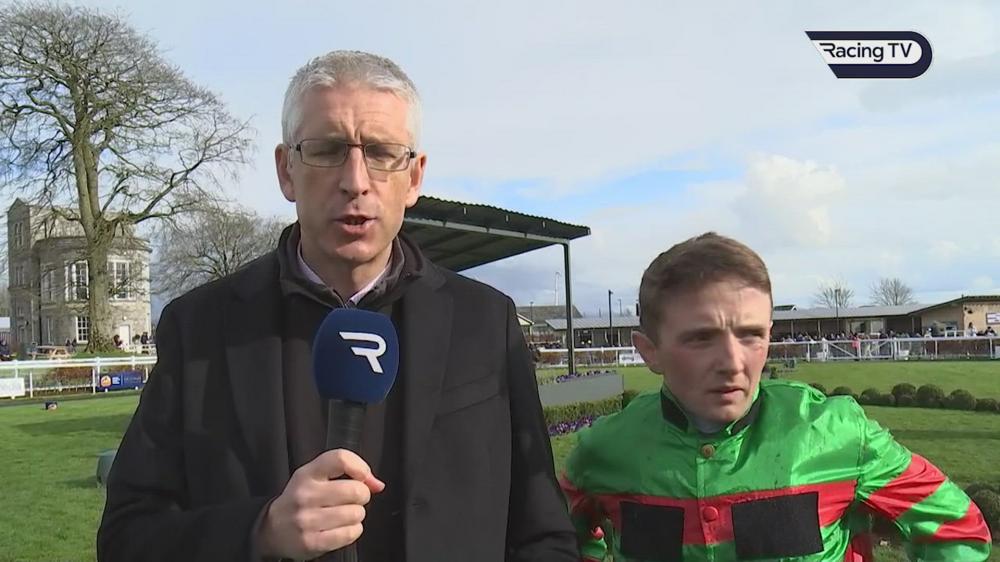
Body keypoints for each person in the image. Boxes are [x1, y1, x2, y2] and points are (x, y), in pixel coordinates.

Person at [98, 50, 577, 562]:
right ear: (286, 170)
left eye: (382, 152)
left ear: (414, 177)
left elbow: (543, 537)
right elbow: (127, 539)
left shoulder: (486, 322)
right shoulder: (200, 327)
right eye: (327, 150)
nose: (355, 180)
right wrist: (261, 532)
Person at [560, 232, 991, 561]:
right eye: (701, 338)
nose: (733, 362)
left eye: (751, 335)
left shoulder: (836, 431)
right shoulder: (603, 450)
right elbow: (559, 541)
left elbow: (957, 527)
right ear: (648, 351)